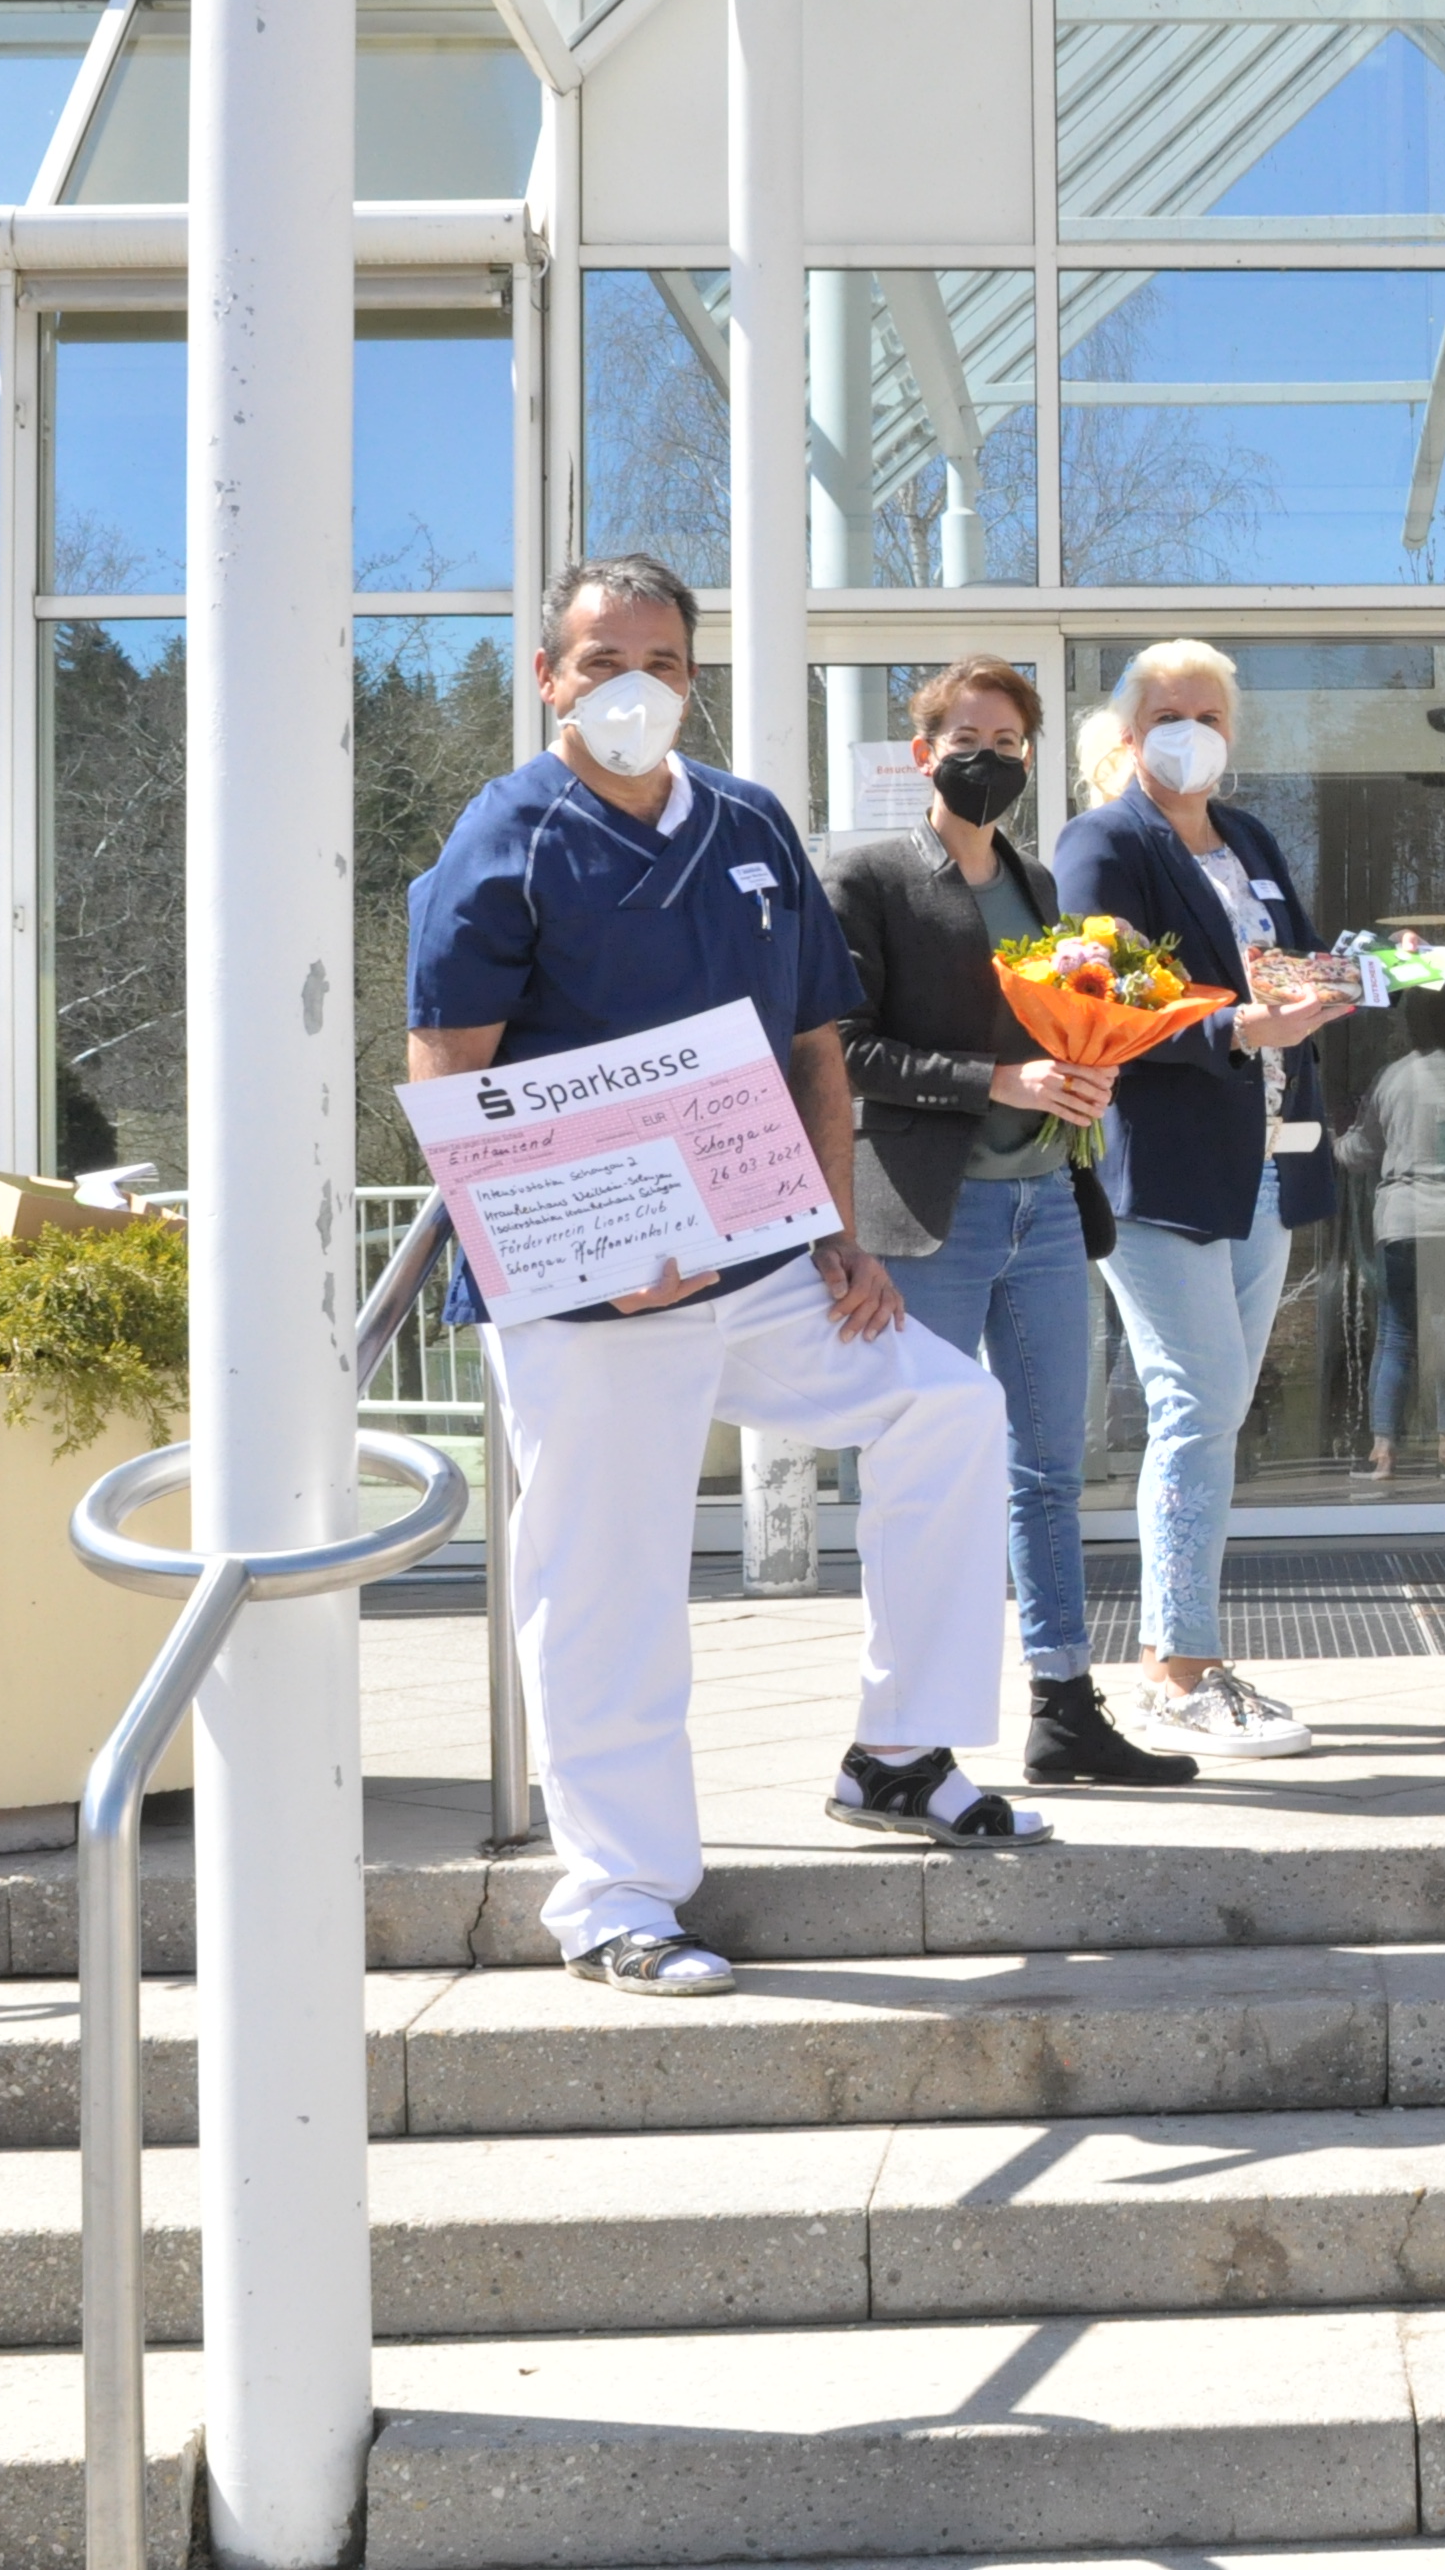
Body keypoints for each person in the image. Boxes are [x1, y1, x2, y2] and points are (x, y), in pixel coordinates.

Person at [406, 555, 1039, 2008]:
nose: (635, 685)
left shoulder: (749, 822)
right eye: (601, 658)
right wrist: (585, 1257)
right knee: (612, 1582)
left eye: (665, 661)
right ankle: (617, 1896)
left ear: (695, 676)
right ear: (549, 675)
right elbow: (448, 1078)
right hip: (591, 1300)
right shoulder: (501, 844)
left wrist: (834, 1231)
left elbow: (816, 1045)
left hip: (761, 1264)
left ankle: (896, 1752)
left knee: (947, 1410)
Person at [821, 653, 1198, 1792]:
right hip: (926, 1218)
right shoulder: (870, 876)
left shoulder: (1039, 886)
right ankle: (909, 1729)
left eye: (1010, 743)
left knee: (1046, 1467)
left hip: (1042, 1205)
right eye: (966, 738)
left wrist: (1082, 1079)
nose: (989, 758)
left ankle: (1063, 1704)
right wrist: (998, 1081)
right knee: (923, 1473)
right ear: (924, 751)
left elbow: (1060, 1035)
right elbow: (843, 1050)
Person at [1054, 638, 1364, 1761]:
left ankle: (1181, 1657)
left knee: (1217, 1412)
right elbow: (1106, 989)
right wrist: (1237, 1023)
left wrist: (1347, 979)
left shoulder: (1252, 838)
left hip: (1271, 1160)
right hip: (1164, 1170)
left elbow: (1291, 963)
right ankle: (1177, 1668)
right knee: (1197, 1403)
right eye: (1168, 712)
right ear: (1128, 734)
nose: (1192, 730)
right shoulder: (1103, 842)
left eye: (1210, 714)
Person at [1340, 985, 1445, 1486]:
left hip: (1404, 1222)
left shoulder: (1394, 1076)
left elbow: (1359, 1150)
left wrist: (1321, 1142)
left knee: (1396, 1335)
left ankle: (1383, 1451)